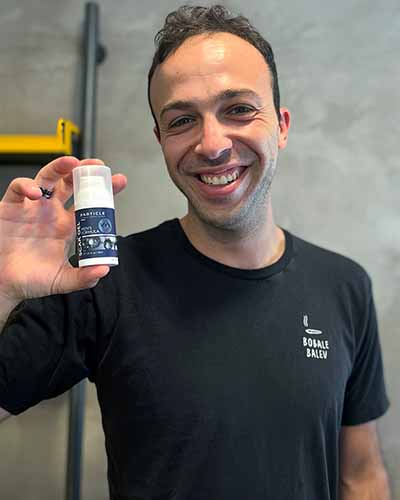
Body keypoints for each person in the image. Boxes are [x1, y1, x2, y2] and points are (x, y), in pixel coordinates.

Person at [0, 5, 391, 499]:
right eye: (183, 120)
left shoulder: (345, 286)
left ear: (282, 125)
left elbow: (361, 475)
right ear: (161, 139)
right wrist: (1, 287)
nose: (211, 144)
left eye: (238, 109)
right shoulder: (102, 281)